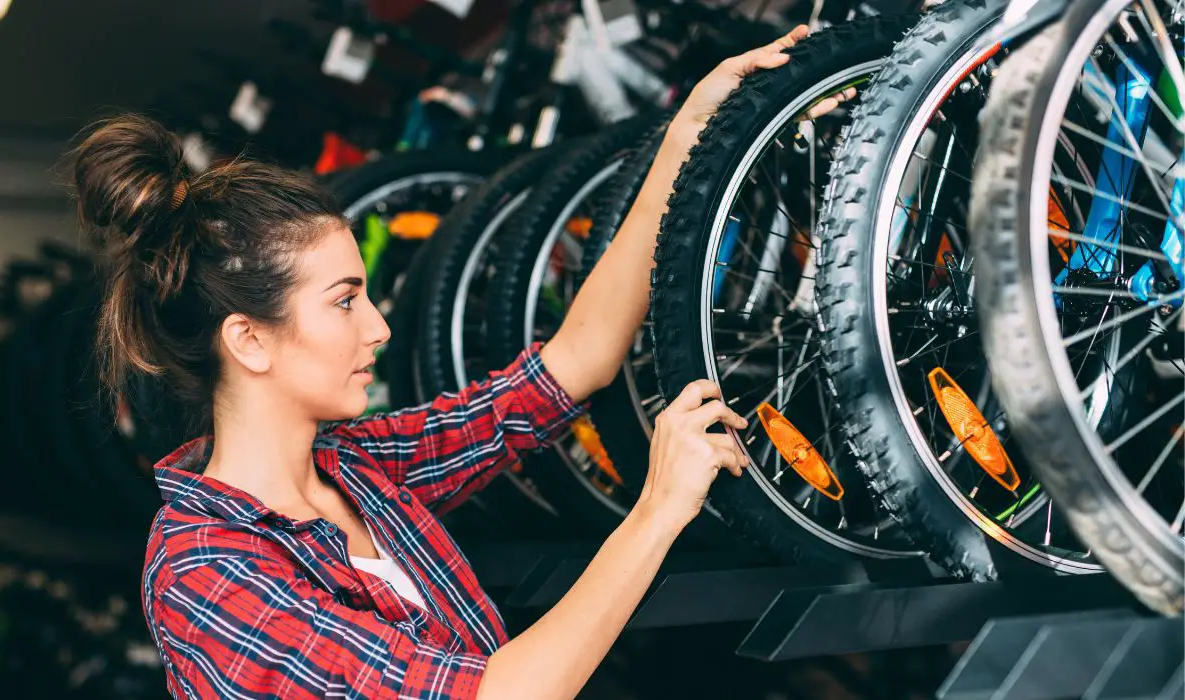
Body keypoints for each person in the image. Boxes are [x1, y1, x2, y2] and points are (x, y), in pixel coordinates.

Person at [72, 26, 846, 699]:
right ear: (249, 340)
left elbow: (566, 370)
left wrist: (687, 144)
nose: (377, 327)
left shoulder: (356, 467)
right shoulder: (203, 574)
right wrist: (656, 512)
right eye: (345, 301)